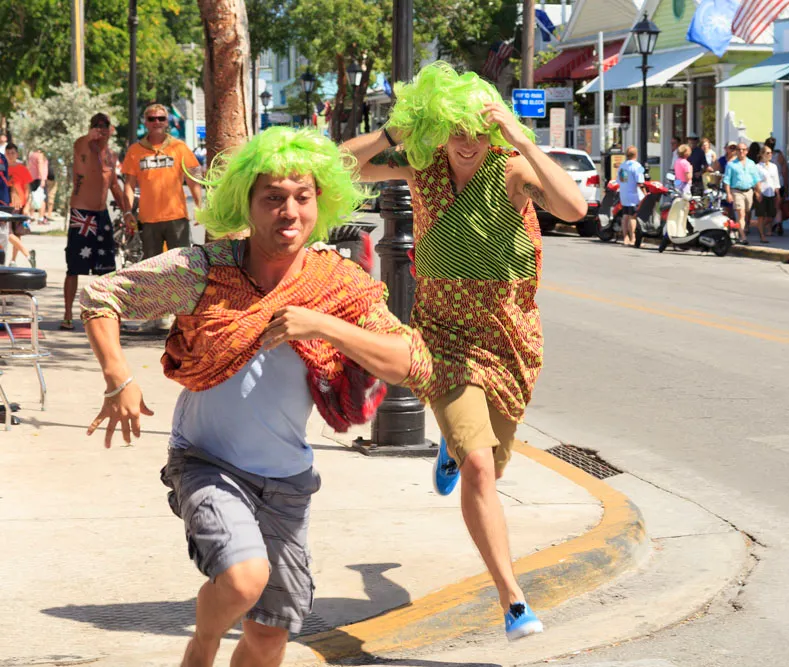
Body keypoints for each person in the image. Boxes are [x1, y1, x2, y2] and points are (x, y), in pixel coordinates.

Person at [80, 126, 433, 667]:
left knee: (270, 636)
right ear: (245, 203)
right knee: (244, 581)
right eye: (272, 198)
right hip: (206, 463)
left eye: (302, 197)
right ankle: (201, 645)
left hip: (289, 481)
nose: (289, 212)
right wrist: (118, 378)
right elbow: (103, 295)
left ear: (321, 203)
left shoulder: (337, 283)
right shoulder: (207, 270)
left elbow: (412, 362)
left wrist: (324, 325)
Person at [342, 61, 586, 641]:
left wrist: (524, 139)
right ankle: (512, 599)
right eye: (455, 128)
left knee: (487, 467)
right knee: (479, 467)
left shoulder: (512, 168)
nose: (468, 141)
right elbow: (338, 169)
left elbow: (575, 209)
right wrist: (393, 132)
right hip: (445, 338)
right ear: (439, 128)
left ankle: (453, 448)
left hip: (509, 341)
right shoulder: (421, 165)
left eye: (478, 128)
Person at [63, 113, 126, 330]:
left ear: (110, 129)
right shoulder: (82, 147)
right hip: (82, 214)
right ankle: (67, 314)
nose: (101, 129)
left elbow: (114, 186)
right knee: (73, 267)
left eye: (104, 126)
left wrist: (128, 212)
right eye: (96, 126)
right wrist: (90, 136)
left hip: (101, 215)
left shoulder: (111, 155)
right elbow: (82, 142)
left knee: (107, 268)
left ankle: (107, 314)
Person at [121, 103, 203, 259]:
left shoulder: (179, 147)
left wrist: (199, 206)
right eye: (152, 119)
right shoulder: (135, 150)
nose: (156, 122)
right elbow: (129, 185)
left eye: (161, 118)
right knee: (153, 266)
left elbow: (193, 178)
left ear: (167, 122)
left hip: (177, 217)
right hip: (148, 220)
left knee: (180, 263)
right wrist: (127, 211)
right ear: (145, 122)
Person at [723, 142, 760, 246]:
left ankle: (741, 229)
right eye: (739, 149)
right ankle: (743, 237)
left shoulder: (751, 163)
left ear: (747, 151)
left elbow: (756, 179)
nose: (741, 151)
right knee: (741, 213)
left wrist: (758, 192)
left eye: (743, 149)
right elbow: (727, 180)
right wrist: (728, 193)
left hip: (749, 191)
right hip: (737, 191)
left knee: (747, 212)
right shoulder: (731, 164)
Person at [5, 144, 36, 267]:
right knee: (6, 233)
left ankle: (13, 260)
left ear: (17, 154)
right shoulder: (3, 169)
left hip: (19, 205)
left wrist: (27, 205)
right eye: (8, 153)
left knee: (17, 234)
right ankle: (28, 254)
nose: (10, 155)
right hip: (6, 205)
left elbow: (27, 189)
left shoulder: (22, 169)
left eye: (13, 153)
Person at [617, 145, 646, 246]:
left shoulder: (622, 166)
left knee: (625, 215)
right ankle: (633, 238)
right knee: (632, 217)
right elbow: (640, 182)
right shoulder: (638, 166)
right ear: (636, 154)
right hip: (634, 195)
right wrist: (645, 193)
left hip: (624, 194)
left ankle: (625, 238)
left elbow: (622, 180)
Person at [756, 145, 781, 244]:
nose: (770, 154)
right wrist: (758, 192)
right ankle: (762, 235)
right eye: (768, 153)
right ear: (762, 154)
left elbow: (776, 181)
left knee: (771, 216)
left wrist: (778, 194)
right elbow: (756, 181)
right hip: (762, 193)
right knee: (761, 215)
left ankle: (754, 225)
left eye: (771, 153)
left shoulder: (773, 166)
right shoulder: (757, 167)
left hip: (771, 193)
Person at [27, 148, 49, 223]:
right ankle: (41, 218)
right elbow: (40, 166)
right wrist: (42, 179)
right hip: (39, 178)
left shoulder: (32, 155)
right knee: (42, 198)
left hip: (31, 178)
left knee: (33, 197)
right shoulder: (40, 155)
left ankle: (31, 216)